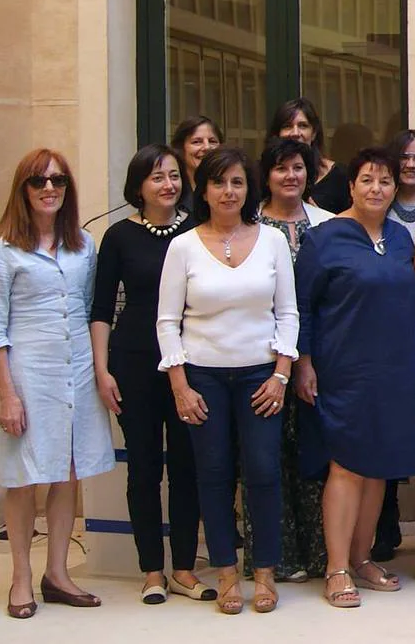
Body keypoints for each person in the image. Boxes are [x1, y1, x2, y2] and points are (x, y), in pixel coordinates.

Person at [156, 146, 298, 615]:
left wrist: (281, 374)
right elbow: (166, 321)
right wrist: (180, 383)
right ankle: (224, 573)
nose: (228, 191)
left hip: (262, 376)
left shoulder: (273, 240)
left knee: (262, 472)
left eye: (237, 182)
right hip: (203, 379)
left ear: (248, 188)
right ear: (205, 189)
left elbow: (288, 313)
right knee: (213, 476)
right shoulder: (183, 245)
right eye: (219, 182)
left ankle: (264, 574)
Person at [294, 148, 415, 608]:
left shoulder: (403, 238)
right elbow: (301, 306)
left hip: (394, 369)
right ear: (351, 186)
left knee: (379, 467)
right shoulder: (323, 239)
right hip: (342, 368)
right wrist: (303, 363)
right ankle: (337, 568)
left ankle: (363, 558)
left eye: (385, 182)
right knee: (346, 466)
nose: (376, 189)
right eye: (367, 180)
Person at [90, 145, 209, 605]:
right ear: (138, 185)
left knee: (186, 467)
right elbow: (101, 309)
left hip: (189, 362)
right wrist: (102, 370)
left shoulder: (196, 231)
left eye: (175, 176)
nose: (169, 185)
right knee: (142, 468)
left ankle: (183, 567)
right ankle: (151, 570)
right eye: (157, 177)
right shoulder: (119, 235)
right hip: (134, 361)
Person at [0, 150, 112, 620]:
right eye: (39, 181)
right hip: (29, 373)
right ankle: (21, 576)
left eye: (58, 181)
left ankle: (58, 573)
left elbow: (92, 312)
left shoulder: (83, 245)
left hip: (78, 371)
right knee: (25, 475)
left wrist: (101, 371)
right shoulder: (6, 250)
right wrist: (6, 393)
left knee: (68, 469)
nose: (49, 189)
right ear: (23, 190)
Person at [249, 137, 334, 582]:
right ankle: (273, 556)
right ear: (266, 175)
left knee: (312, 457)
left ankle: (318, 554)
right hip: (257, 356)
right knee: (267, 459)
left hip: (316, 357)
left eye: (298, 168)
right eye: (281, 168)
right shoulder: (250, 225)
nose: (290, 176)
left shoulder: (326, 224)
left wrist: (306, 357)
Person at [373, 128, 415, 563]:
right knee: (389, 426)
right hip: (390, 328)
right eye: (404, 157)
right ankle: (385, 523)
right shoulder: (379, 209)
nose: (411, 164)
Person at [270, 97, 351, 213]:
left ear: (313, 133)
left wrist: (320, 218)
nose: (295, 133)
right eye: (287, 126)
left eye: (303, 126)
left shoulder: (340, 177)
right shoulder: (263, 176)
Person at [170, 116, 222, 212]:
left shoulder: (231, 189)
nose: (207, 147)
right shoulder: (171, 191)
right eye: (197, 142)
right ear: (181, 149)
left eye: (212, 141)